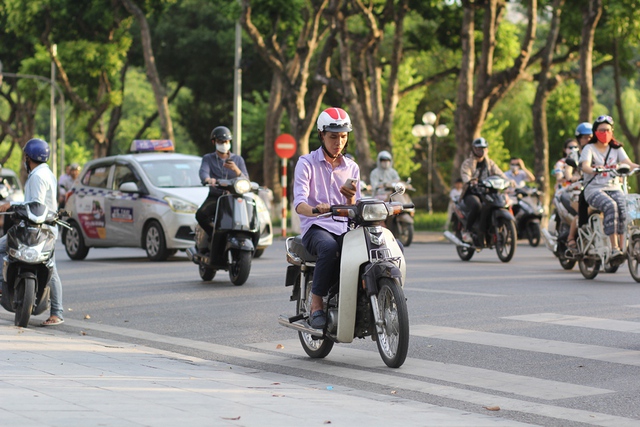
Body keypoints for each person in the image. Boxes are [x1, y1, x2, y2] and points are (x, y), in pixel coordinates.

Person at [293, 107, 360, 329]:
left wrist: (351, 201)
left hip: (344, 226)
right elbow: (299, 204)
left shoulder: (352, 167)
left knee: (371, 248)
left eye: (343, 137)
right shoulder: (306, 163)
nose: (338, 142)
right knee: (329, 248)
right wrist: (315, 209)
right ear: (322, 135)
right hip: (316, 227)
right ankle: (316, 304)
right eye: (333, 137)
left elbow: (356, 207)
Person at [0, 138, 64, 326]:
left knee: (2, 247)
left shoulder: (36, 176)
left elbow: (36, 206)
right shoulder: (46, 173)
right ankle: (57, 311)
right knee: (50, 266)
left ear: (28, 158)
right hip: (48, 228)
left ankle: (2, 286)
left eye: (25, 157)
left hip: (37, 229)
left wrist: (11, 205)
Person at [579, 115, 639, 261]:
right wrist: (593, 169)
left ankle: (624, 244)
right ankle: (614, 248)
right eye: (601, 130)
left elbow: (628, 163)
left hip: (615, 188)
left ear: (612, 131)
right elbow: (585, 165)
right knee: (610, 206)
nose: (605, 133)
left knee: (624, 207)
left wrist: (637, 167)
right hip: (594, 189)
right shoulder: (589, 148)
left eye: (607, 130)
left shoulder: (616, 149)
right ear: (595, 132)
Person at [196, 126, 249, 238]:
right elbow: (203, 172)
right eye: (221, 142)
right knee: (200, 215)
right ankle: (213, 236)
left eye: (226, 141)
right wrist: (208, 179)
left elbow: (246, 180)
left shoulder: (238, 160)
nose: (224, 144)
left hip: (235, 197)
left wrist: (236, 169)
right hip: (216, 197)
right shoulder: (208, 158)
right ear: (214, 142)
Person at [459, 137, 509, 243]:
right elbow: (465, 174)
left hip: (487, 191)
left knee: (498, 203)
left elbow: (500, 173)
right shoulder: (467, 163)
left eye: (483, 148)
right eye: (478, 148)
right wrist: (470, 181)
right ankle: (467, 230)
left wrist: (509, 181)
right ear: (473, 149)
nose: (481, 151)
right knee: (477, 205)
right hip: (472, 192)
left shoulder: (490, 163)